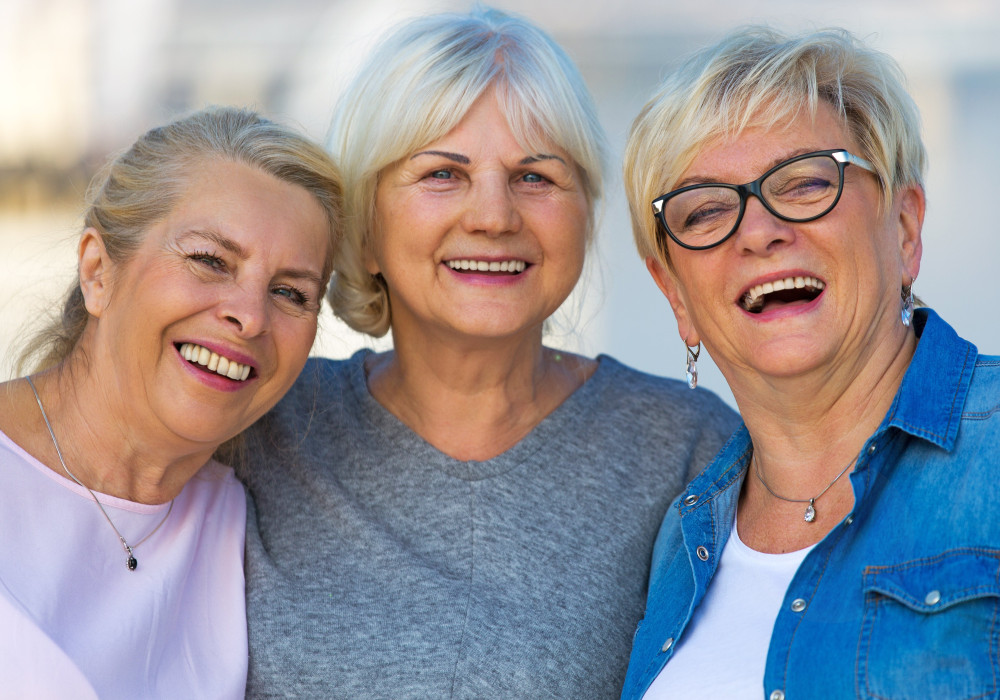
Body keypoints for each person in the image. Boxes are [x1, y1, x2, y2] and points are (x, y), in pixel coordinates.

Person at [241, 7, 738, 698]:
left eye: (536, 177)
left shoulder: (689, 450)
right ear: (365, 224)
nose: (494, 216)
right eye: (443, 174)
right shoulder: (263, 425)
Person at [619, 26, 1000, 700]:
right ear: (676, 295)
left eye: (804, 183)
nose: (760, 231)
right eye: (706, 211)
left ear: (905, 230)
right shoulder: (681, 538)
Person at [0, 106, 342, 699]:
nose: (251, 315)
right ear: (98, 270)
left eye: (291, 292)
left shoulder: (247, 520)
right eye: (210, 260)